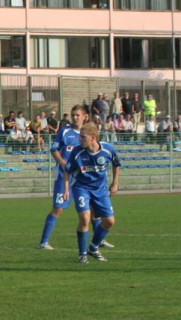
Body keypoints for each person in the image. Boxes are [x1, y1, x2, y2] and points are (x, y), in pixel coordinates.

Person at [37, 105, 113, 252]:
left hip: (83, 178)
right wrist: (64, 163)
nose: (75, 117)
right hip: (64, 176)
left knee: (93, 210)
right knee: (58, 208)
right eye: (73, 115)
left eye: (78, 115)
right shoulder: (65, 131)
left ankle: (100, 240)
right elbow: (54, 149)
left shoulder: (88, 133)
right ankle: (43, 242)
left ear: (85, 116)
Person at [64, 122, 121, 264]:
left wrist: (115, 183)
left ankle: (93, 247)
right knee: (85, 218)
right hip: (81, 187)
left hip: (100, 190)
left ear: (93, 137)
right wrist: (66, 189)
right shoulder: (77, 152)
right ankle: (82, 254)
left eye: (83, 137)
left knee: (109, 221)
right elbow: (67, 170)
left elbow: (116, 164)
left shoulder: (107, 149)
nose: (80, 140)